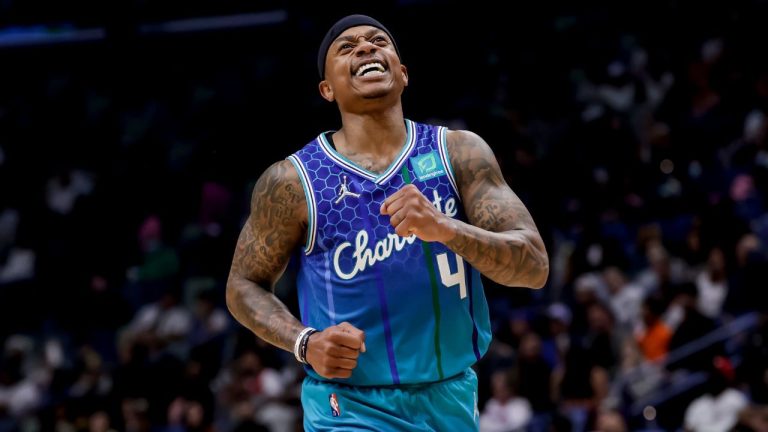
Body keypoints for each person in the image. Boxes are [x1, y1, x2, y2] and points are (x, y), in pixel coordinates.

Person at [225, 14, 549, 431]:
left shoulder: (459, 153)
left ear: (403, 73)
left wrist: (446, 228)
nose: (365, 47)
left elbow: (534, 266)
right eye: (347, 47)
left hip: (451, 396)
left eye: (378, 41)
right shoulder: (293, 181)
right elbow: (242, 284)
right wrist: (303, 342)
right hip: (349, 406)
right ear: (327, 89)